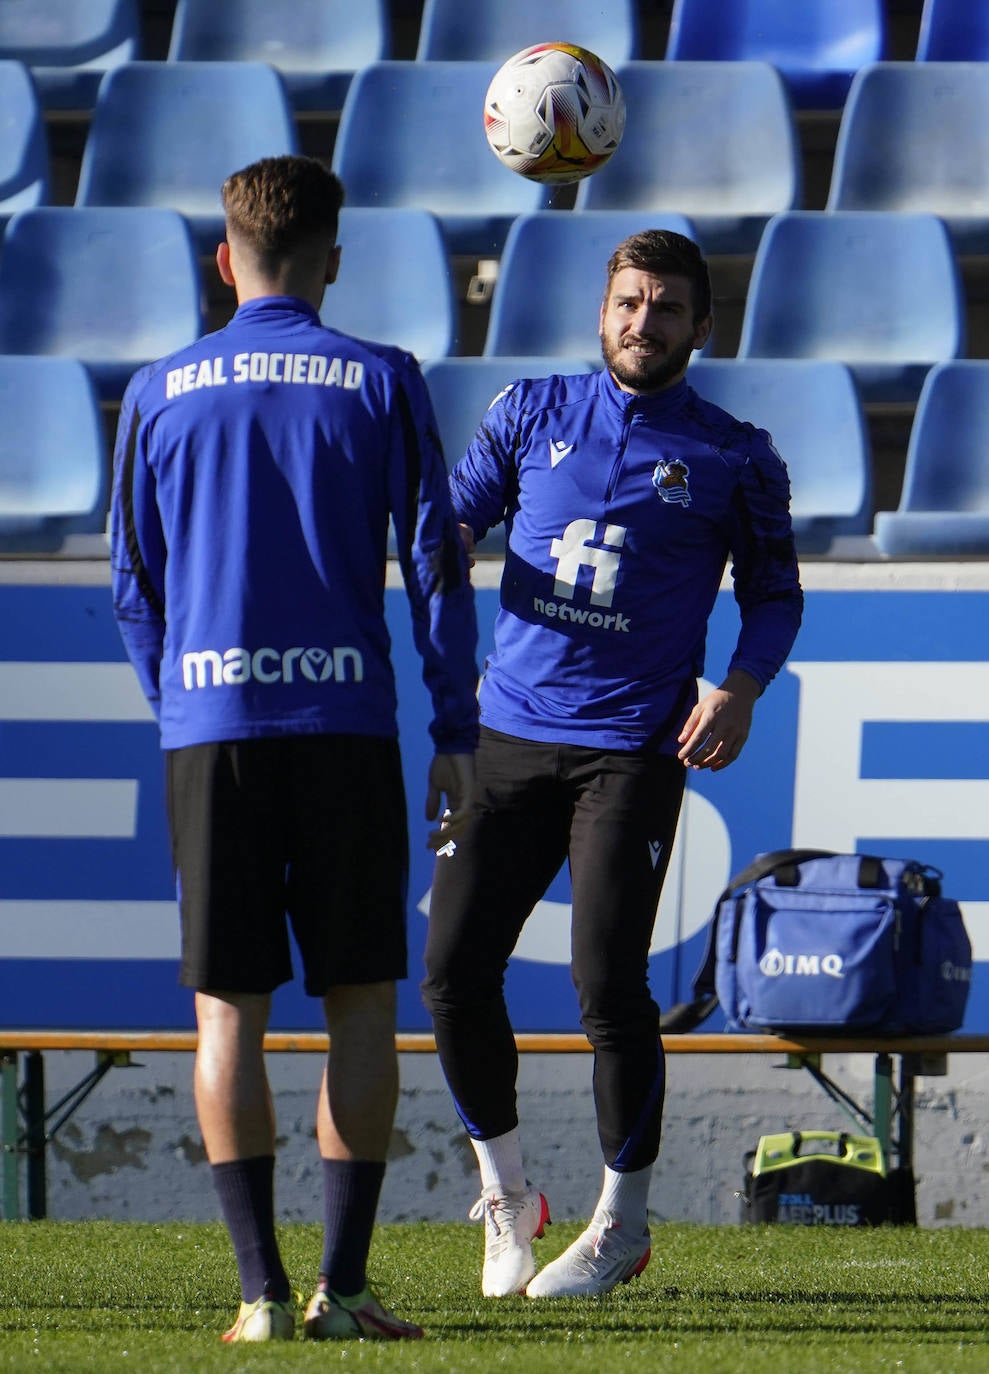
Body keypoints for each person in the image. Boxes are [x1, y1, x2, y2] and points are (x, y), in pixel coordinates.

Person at [109, 155, 478, 1342]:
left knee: (228, 1015)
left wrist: (185, 701)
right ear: (329, 258)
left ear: (224, 260)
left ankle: (258, 1296)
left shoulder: (159, 391)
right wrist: (455, 727)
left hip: (209, 732)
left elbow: (133, 590)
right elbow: (435, 566)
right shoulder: (379, 378)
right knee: (362, 1004)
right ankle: (347, 1289)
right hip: (344, 732)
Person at [421, 229, 803, 1299]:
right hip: (505, 734)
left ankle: (619, 1225)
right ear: (602, 312)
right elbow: (455, 520)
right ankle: (506, 1200)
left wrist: (737, 687)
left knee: (604, 982)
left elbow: (773, 594)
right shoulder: (527, 411)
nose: (644, 322)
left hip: (630, 749)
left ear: (701, 326)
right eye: (628, 302)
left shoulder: (735, 454)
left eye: (667, 307)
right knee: (450, 972)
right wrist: (433, 548)